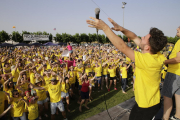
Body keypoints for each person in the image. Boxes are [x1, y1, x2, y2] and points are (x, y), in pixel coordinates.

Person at [86, 17, 167, 120]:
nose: (141, 37)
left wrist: (105, 28)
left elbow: (123, 47)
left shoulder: (147, 61)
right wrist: (121, 29)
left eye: (144, 38)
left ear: (147, 47)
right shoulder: (157, 54)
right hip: (149, 102)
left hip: (145, 108)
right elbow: (134, 37)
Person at [162, 26, 180, 120]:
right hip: (178, 73)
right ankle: (177, 116)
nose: (177, 28)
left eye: (179, 28)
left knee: (167, 95)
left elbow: (179, 58)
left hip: (175, 72)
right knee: (178, 95)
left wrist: (165, 62)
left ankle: (165, 118)